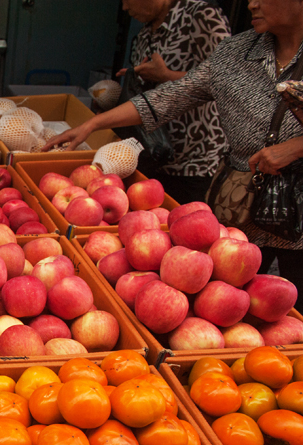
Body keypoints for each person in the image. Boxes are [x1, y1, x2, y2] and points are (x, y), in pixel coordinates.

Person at [44, 0, 303, 303]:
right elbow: (170, 97)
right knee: (233, 299)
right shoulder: (237, 52)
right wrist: (93, 124)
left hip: (298, 207)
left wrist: (296, 148)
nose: (251, 4)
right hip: (242, 202)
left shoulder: (201, 17)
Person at [117, 0, 231, 203]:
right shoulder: (145, 32)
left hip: (192, 160)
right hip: (151, 154)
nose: (125, 8)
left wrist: (167, 75)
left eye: (127, 0)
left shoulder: (201, 16)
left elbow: (227, 80)